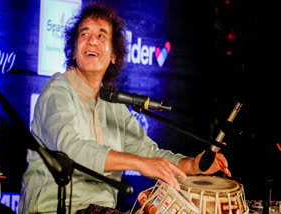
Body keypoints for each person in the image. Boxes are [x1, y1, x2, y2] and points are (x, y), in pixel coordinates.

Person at [18, 3, 231, 214]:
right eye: (84, 34)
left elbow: (148, 152)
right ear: (74, 51)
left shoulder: (113, 104)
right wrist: (140, 164)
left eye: (101, 36)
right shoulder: (57, 91)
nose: (92, 40)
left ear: (114, 56)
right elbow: (70, 148)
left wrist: (193, 165)